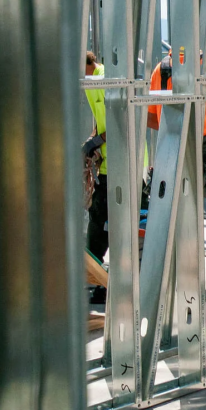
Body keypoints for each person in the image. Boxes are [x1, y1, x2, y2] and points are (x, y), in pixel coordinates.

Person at [145, 25, 206, 241]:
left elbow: (151, 117)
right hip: (205, 154)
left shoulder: (161, 68)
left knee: (171, 223)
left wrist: (175, 127)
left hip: (170, 152)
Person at [83, 51, 108, 304]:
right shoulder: (92, 81)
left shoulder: (103, 77)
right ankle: (101, 281)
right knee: (101, 226)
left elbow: (117, 120)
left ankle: (102, 282)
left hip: (119, 164)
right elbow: (102, 122)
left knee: (99, 228)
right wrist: (94, 140)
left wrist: (97, 142)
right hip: (108, 166)